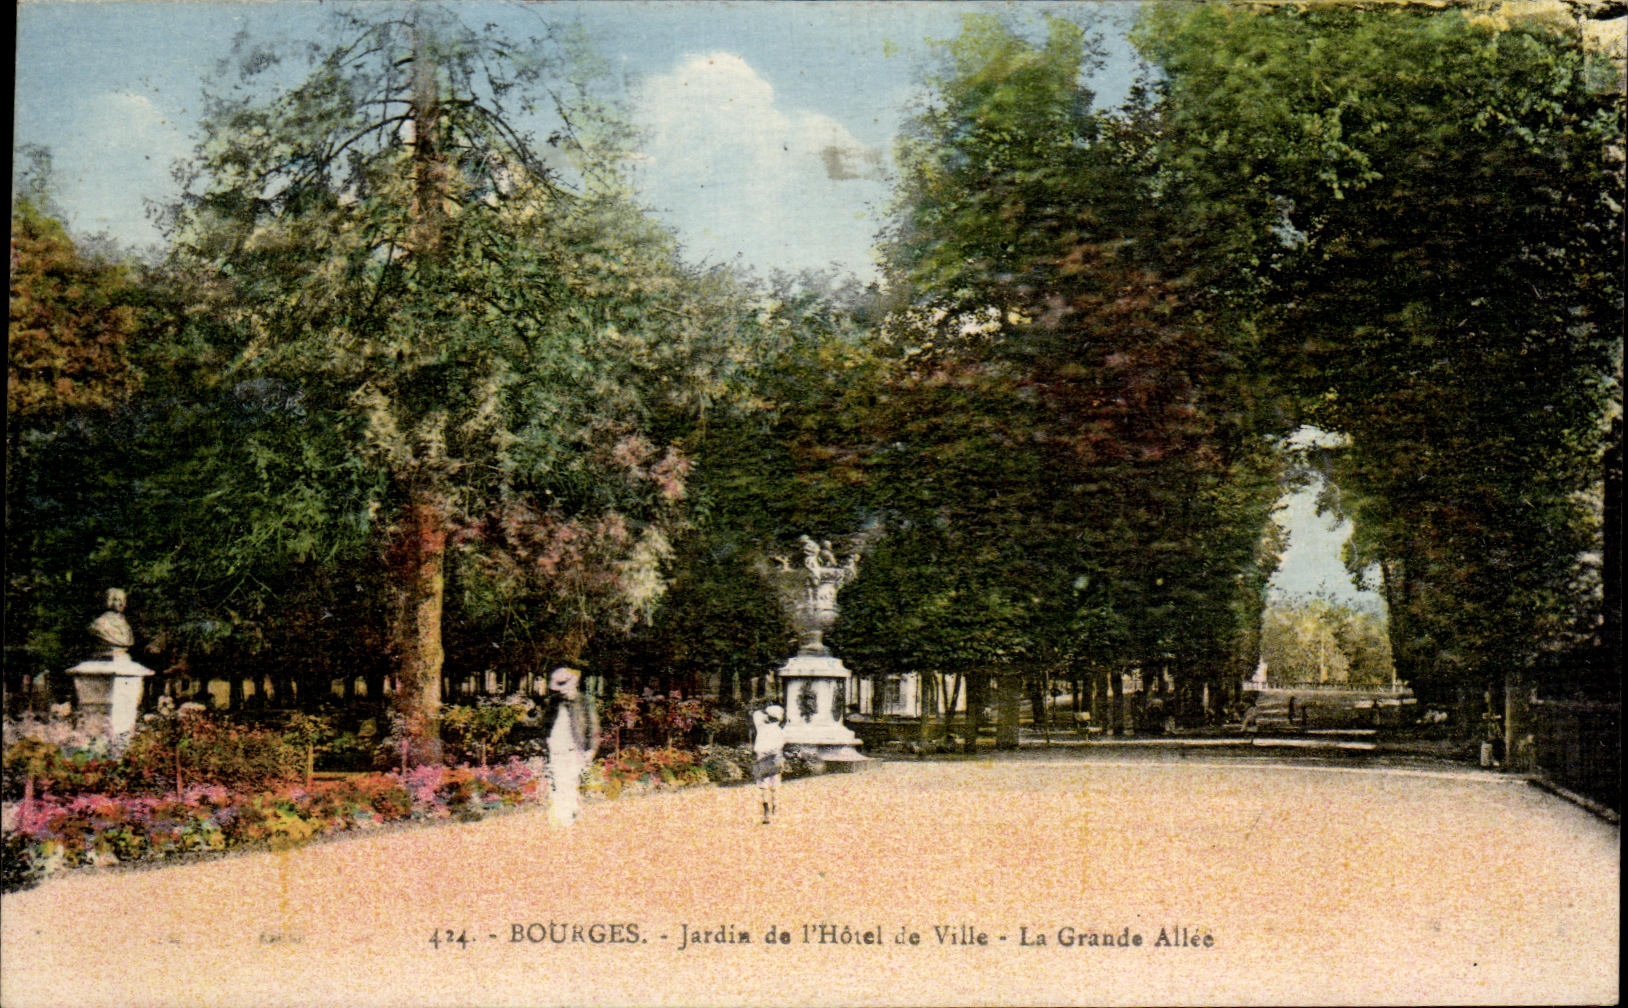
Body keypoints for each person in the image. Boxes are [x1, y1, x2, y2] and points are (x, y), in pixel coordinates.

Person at [542, 667, 598, 827]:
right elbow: (545, 725)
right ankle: (564, 817)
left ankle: (570, 814)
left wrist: (591, 749)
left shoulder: (584, 702)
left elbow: (593, 727)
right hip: (557, 747)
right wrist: (547, 740)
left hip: (575, 748)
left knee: (571, 781)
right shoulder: (552, 702)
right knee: (559, 781)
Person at [752, 704, 786, 825]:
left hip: (762, 758)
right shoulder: (779, 731)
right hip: (775, 758)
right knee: (775, 786)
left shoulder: (761, 727)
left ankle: (766, 812)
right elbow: (780, 746)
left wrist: (765, 713)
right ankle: (775, 808)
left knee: (763, 786)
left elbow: (756, 714)